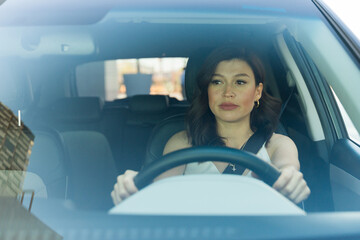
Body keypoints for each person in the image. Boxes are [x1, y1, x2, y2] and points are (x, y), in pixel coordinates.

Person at [111, 45, 311, 206]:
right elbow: (158, 195)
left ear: (258, 91)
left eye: (240, 82)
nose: (228, 92)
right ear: (207, 91)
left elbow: (288, 170)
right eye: (217, 82)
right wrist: (134, 188)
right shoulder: (182, 143)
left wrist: (290, 182)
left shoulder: (278, 145)